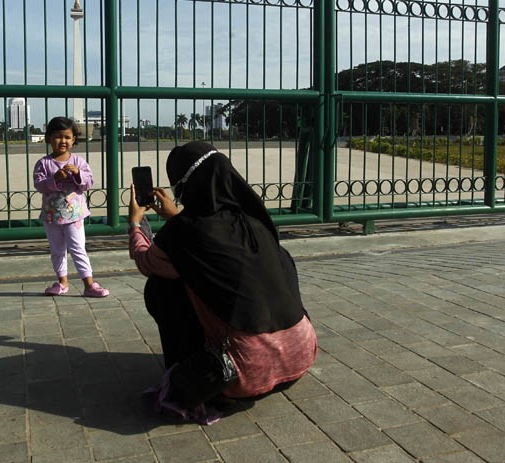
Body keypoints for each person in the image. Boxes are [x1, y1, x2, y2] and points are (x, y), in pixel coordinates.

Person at [127, 140, 317, 422]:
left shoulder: (184, 232)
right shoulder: (255, 221)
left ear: (183, 187)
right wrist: (176, 219)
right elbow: (210, 239)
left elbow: (146, 261)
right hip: (302, 356)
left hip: (241, 377)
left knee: (161, 286)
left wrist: (135, 223)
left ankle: (190, 373)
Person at [33, 116, 109, 298]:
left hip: (74, 216)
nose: (63, 141)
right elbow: (39, 185)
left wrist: (78, 175)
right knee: (57, 250)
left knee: (77, 248)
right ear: (49, 138)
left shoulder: (79, 162)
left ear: (74, 139)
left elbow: (88, 183)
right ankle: (62, 282)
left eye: (67, 137)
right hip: (52, 216)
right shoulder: (43, 164)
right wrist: (55, 179)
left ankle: (89, 284)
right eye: (58, 136)